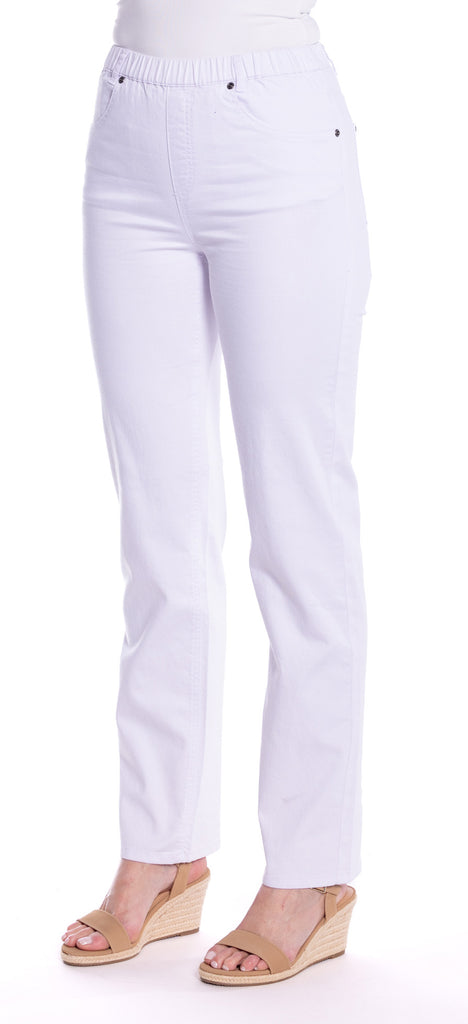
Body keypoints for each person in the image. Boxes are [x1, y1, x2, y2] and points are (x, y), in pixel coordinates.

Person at [60, 0, 372, 985]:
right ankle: (162, 850)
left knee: (298, 527)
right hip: (129, 119)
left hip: (273, 129)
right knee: (158, 532)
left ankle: (311, 876)